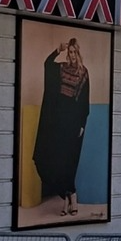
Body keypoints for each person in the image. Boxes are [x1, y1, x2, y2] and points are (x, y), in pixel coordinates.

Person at [33, 36, 90, 218]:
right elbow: (47, 64)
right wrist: (58, 50)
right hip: (58, 120)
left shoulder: (84, 73)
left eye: (74, 52)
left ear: (78, 53)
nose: (72, 55)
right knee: (57, 160)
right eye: (70, 52)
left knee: (69, 160)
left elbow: (84, 101)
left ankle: (71, 198)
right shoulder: (61, 68)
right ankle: (67, 198)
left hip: (73, 121)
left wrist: (82, 123)